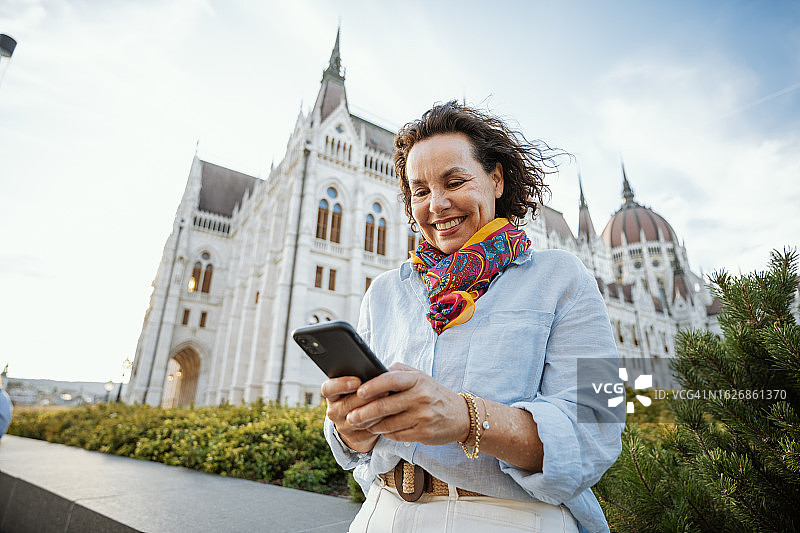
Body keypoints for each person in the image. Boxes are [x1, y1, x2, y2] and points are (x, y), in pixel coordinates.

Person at [322, 101, 623, 533]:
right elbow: (354, 448)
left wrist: (466, 418)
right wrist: (351, 424)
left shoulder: (564, 277)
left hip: (511, 518)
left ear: (496, 179)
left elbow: (600, 422)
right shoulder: (385, 292)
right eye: (420, 191)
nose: (437, 205)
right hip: (383, 514)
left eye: (455, 181)